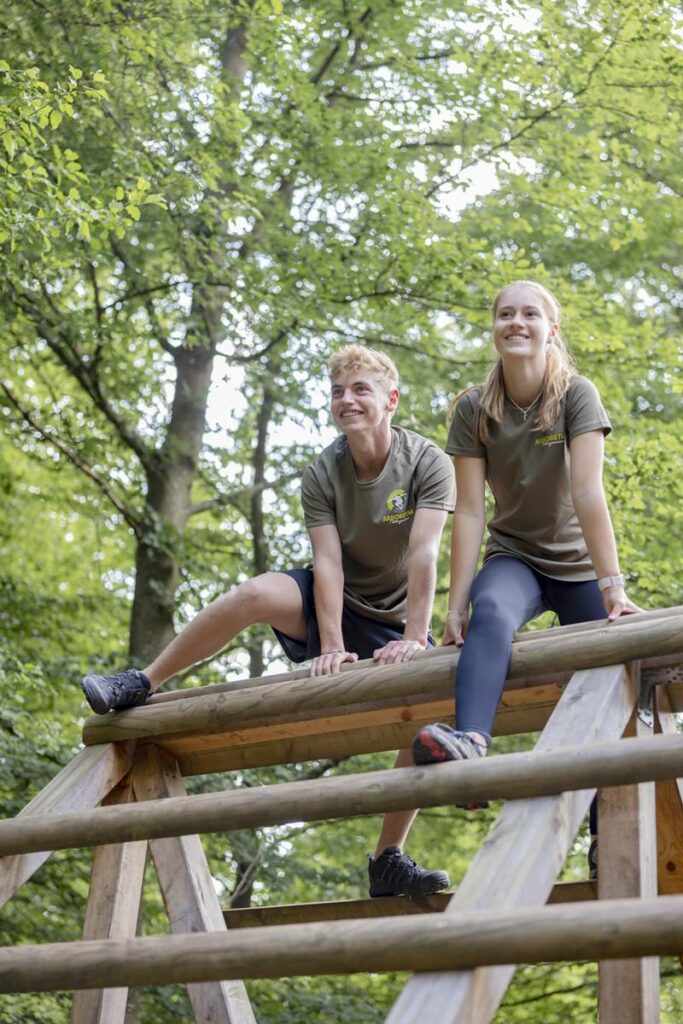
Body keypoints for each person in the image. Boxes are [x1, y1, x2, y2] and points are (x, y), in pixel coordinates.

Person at [82, 344, 456, 897]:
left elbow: (425, 554)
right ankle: (142, 680)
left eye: (360, 390)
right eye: (337, 392)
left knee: (429, 709)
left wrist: (416, 638)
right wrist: (329, 644)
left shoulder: (427, 462)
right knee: (256, 591)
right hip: (334, 602)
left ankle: (387, 860)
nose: (346, 400)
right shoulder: (323, 472)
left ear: (391, 399)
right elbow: (326, 562)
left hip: (394, 618)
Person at [412, 281, 640, 874]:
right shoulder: (474, 409)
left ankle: (603, 837)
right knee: (491, 614)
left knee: (604, 677)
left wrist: (613, 587)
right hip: (515, 556)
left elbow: (589, 491)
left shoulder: (576, 396)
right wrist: (455, 605)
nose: (517, 322)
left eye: (530, 314)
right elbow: (468, 511)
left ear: (551, 328)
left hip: (579, 564)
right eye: (505, 314)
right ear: (493, 327)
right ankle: (471, 748)